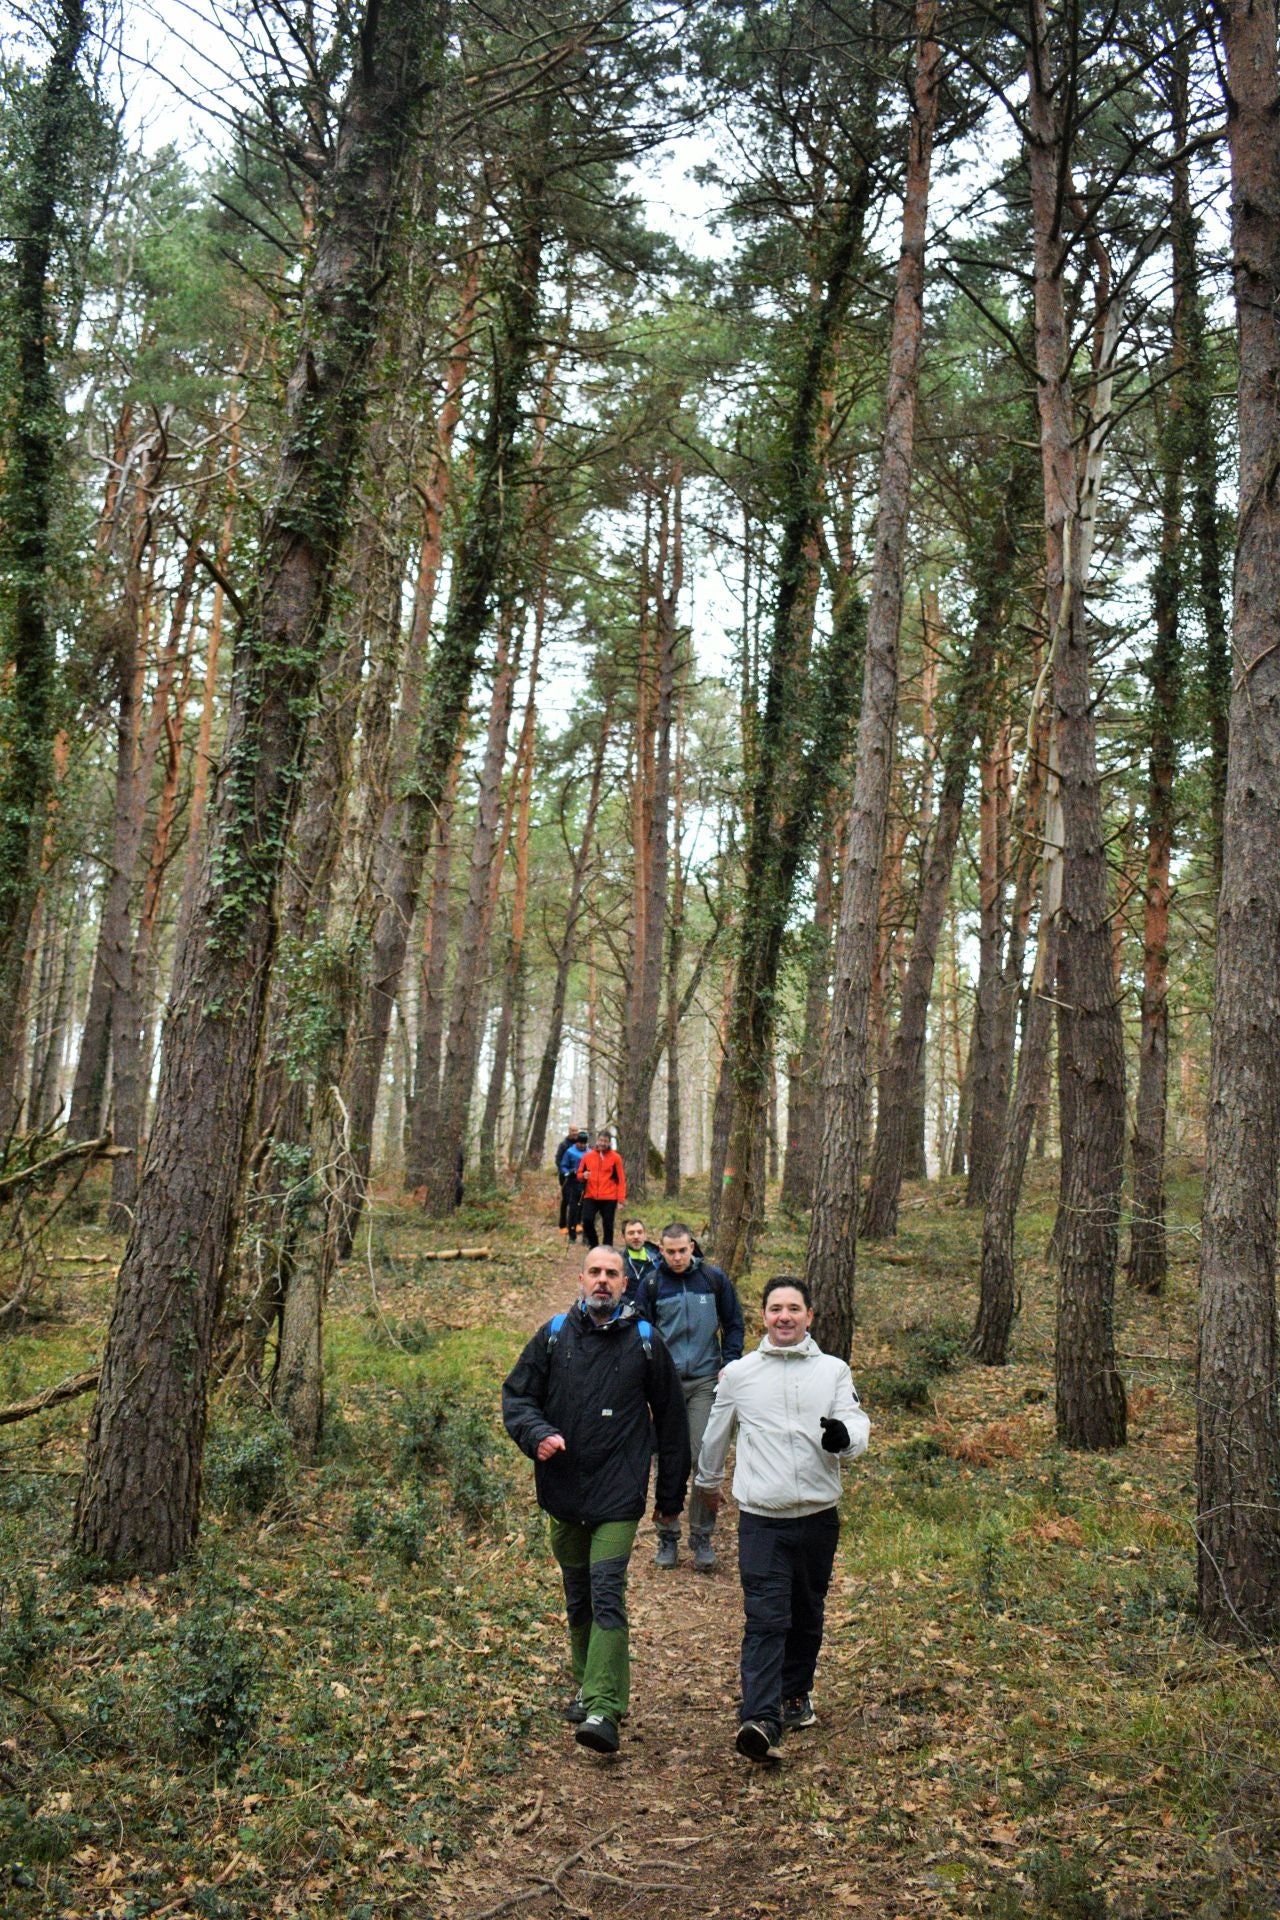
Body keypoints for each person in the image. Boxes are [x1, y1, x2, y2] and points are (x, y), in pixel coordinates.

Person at [502, 1245, 689, 1755]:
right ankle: (586, 1684)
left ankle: (605, 1706)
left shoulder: (645, 1342)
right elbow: (517, 1397)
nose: (603, 1281)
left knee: (606, 1590)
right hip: (562, 1490)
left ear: (626, 1284)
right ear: (580, 1279)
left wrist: (670, 1497)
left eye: (613, 1274)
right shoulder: (554, 1335)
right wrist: (535, 1433)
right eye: (595, 1273)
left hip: (617, 1494)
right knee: (578, 1592)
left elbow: (672, 1424)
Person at [695, 1275, 869, 1763]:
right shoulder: (740, 1374)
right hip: (762, 1520)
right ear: (763, 1317)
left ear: (810, 1316)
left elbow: (854, 1421)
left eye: (794, 1308)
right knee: (767, 1616)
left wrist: (844, 1438)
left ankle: (795, 1696)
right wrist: (706, 1484)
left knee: (807, 1611)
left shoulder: (833, 1371)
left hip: (818, 1517)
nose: (785, 1316)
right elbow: (716, 1432)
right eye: (776, 1308)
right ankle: (760, 1718)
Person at [635, 1222, 744, 1573]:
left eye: (683, 1250)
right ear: (661, 1251)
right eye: (670, 1251)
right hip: (665, 1384)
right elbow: (640, 1333)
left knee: (703, 1457)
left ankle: (702, 1536)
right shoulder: (651, 1284)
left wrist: (730, 1363)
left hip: (704, 1381)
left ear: (692, 1247)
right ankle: (667, 1535)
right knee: (670, 1459)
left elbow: (734, 1323)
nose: (678, 1257)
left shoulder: (713, 1280)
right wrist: (646, 1381)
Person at [576, 1128, 626, 1248]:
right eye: (601, 1140)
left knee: (608, 1225)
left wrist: (621, 1200)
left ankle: (607, 1249)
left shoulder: (616, 1158)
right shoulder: (587, 1156)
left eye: (606, 1141)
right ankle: (594, 1245)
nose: (603, 1143)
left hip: (609, 1197)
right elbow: (579, 1175)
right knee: (587, 1221)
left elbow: (621, 1179)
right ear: (597, 1141)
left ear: (609, 1143)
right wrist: (583, 1175)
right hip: (590, 1195)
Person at [620, 1217, 661, 1301]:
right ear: (623, 1237)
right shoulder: (617, 1262)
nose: (636, 1236)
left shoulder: (658, 1259)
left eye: (639, 1232)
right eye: (631, 1233)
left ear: (645, 1235)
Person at [554, 1124, 583, 1236]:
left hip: (579, 1178)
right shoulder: (564, 1145)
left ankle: (577, 1224)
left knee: (579, 1201)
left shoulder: (581, 1144)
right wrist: (565, 1172)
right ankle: (562, 1225)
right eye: (572, 1130)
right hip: (566, 1178)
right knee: (566, 1200)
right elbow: (558, 1160)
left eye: (576, 1130)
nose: (574, 1132)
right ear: (569, 1131)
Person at [561, 1130, 590, 1244]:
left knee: (587, 1211)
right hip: (573, 1184)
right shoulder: (570, 1152)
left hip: (587, 1184)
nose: (582, 1145)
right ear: (576, 1142)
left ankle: (586, 1236)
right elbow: (563, 1167)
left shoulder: (590, 1153)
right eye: (580, 1142)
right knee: (573, 1210)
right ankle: (572, 1236)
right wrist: (569, 1172)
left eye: (584, 1143)